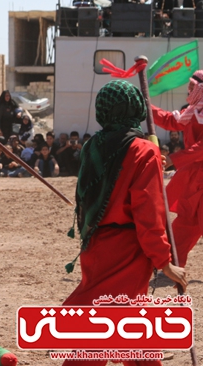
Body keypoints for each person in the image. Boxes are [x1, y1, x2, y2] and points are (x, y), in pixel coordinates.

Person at [61, 80, 186, 366]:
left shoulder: (94, 144)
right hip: (128, 251)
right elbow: (148, 213)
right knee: (104, 332)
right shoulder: (144, 151)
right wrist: (163, 260)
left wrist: (154, 160)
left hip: (94, 245)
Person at [148, 70, 203, 267]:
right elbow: (171, 121)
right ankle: (173, 265)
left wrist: (173, 159)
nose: (188, 89)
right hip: (193, 176)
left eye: (191, 86)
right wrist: (147, 107)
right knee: (186, 223)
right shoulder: (193, 111)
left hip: (196, 172)